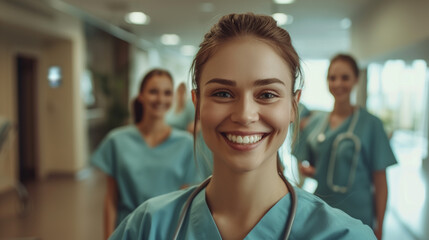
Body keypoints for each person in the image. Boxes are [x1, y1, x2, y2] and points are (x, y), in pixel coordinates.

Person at [109, 13, 376, 240]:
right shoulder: (147, 227)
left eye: (267, 94)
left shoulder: (345, 235)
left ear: (293, 106)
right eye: (223, 94)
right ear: (197, 103)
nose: (245, 115)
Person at [294, 54, 397, 240]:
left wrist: (380, 226)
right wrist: (310, 171)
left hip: (358, 215)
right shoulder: (316, 122)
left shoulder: (371, 124)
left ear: (356, 79)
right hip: (322, 211)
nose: (338, 83)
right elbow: (309, 164)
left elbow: (380, 182)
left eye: (345, 77)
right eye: (332, 78)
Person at [91, 69, 200, 239]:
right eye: (153, 92)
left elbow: (184, 202)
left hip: (167, 232)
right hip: (126, 231)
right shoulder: (117, 141)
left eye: (167, 93)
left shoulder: (185, 144)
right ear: (141, 95)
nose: (160, 99)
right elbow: (111, 200)